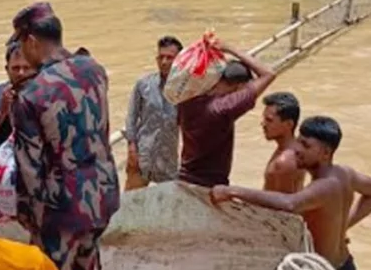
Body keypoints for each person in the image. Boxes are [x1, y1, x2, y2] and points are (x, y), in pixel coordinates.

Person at [8, 1, 118, 270]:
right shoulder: (95, 70)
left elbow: (30, 170)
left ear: (33, 41)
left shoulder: (31, 95)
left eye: (21, 44)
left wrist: (30, 220)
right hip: (103, 197)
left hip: (62, 207)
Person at [210, 116, 371, 270]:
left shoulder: (324, 186)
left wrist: (232, 191)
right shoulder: (345, 174)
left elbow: (290, 204)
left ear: (325, 153)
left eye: (306, 145)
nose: (296, 149)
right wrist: (345, 225)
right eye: (298, 141)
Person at [178, 37, 279, 188]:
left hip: (184, 178)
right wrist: (229, 48)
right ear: (238, 87)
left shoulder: (189, 98)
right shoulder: (224, 107)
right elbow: (268, 74)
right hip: (208, 185)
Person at [124, 36, 183, 191]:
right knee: (131, 205)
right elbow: (131, 117)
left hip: (168, 160)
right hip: (142, 157)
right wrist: (131, 150)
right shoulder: (144, 84)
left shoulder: (185, 90)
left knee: (169, 207)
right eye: (160, 57)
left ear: (179, 60)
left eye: (169, 58)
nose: (164, 62)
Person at [0, 42, 35, 157]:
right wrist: (2, 112)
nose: (21, 73)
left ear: (35, 69)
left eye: (26, 68)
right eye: (15, 68)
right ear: (7, 69)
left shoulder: (45, 95)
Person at [260, 92, 306, 194]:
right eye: (264, 118)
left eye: (269, 120)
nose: (263, 124)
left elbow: (282, 205)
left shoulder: (285, 161)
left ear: (289, 124)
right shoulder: (294, 149)